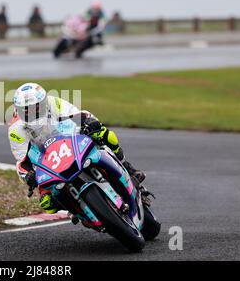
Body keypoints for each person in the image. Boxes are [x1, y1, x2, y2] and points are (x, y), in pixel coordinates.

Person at [8, 83, 146, 214]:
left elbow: (80, 114)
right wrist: (28, 176)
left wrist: (90, 122)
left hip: (72, 141)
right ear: (18, 109)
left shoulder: (53, 103)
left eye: (35, 107)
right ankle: (77, 210)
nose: (31, 112)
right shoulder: (16, 130)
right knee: (47, 204)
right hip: (47, 160)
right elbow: (21, 161)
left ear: (43, 103)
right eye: (25, 109)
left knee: (104, 134)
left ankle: (128, 168)